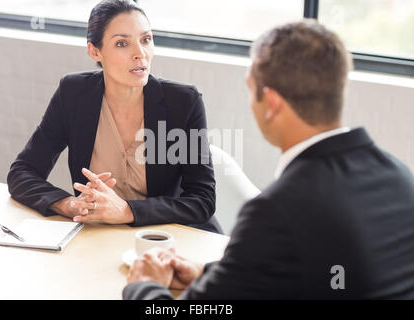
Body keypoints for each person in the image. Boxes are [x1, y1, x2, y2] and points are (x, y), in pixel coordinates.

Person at [122, 21, 414, 299]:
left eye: (251, 89)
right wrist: (207, 273)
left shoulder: (276, 212)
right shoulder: (401, 178)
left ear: (272, 103)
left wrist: (144, 286)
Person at [7, 0, 222, 233]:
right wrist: (69, 204)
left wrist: (126, 211)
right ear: (95, 51)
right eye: (122, 43)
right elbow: (22, 172)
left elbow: (202, 200)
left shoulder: (184, 102)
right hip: (102, 236)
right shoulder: (74, 93)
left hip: (173, 237)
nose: (140, 54)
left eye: (146, 39)